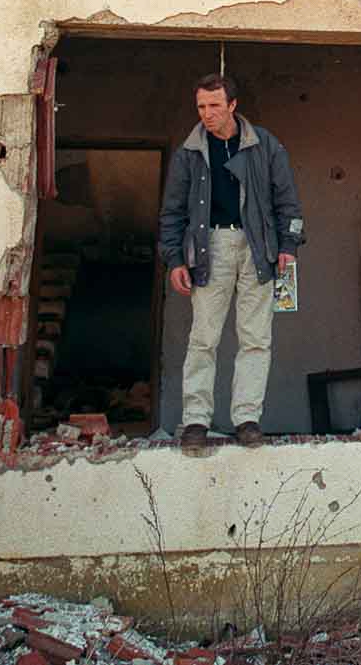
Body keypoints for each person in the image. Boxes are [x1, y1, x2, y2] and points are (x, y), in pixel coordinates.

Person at [157, 73, 303, 450]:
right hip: (210, 247)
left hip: (259, 247)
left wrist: (289, 245)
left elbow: (288, 201)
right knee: (203, 337)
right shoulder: (190, 153)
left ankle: (247, 419)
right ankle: (195, 421)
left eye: (214, 106)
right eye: (201, 107)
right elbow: (171, 212)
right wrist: (174, 259)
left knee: (256, 337)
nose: (207, 114)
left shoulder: (265, 145)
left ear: (233, 106)